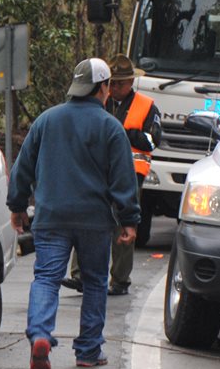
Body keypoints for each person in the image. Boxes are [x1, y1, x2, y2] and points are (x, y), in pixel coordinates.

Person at [7, 57, 141, 369]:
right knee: (95, 282)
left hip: (51, 217)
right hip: (95, 220)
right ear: (103, 88)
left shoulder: (46, 121)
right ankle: (89, 350)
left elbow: (22, 167)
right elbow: (124, 178)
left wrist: (17, 206)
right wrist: (129, 219)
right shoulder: (111, 127)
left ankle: (40, 334)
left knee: (46, 278)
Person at [62, 54, 163, 295]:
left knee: (123, 226)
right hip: (97, 172)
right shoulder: (99, 102)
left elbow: (152, 140)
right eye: (112, 83)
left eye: (120, 83)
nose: (115, 88)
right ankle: (80, 276)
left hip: (130, 174)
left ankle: (119, 280)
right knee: (86, 220)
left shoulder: (147, 106)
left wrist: (126, 134)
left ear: (131, 82)